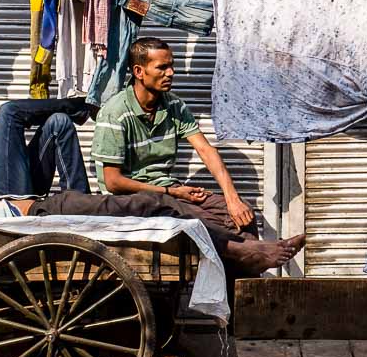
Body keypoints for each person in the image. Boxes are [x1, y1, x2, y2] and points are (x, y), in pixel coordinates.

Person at [0, 156, 304, 276]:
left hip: (44, 207)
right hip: (45, 217)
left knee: (159, 207)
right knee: (150, 206)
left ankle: (234, 247)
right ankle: (239, 249)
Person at [93, 36, 256, 239]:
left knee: (243, 213)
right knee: (202, 223)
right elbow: (113, 182)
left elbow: (206, 150)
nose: (171, 73)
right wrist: (170, 192)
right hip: (129, 199)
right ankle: (252, 256)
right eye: (162, 67)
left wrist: (233, 199)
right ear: (138, 72)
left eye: (171, 66)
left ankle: (251, 266)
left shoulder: (174, 105)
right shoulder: (115, 112)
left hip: (167, 190)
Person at [0, 97, 93, 195]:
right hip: (4, 204)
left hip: (24, 193)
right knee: (9, 112)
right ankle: (81, 106)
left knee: (59, 121)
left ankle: (81, 203)